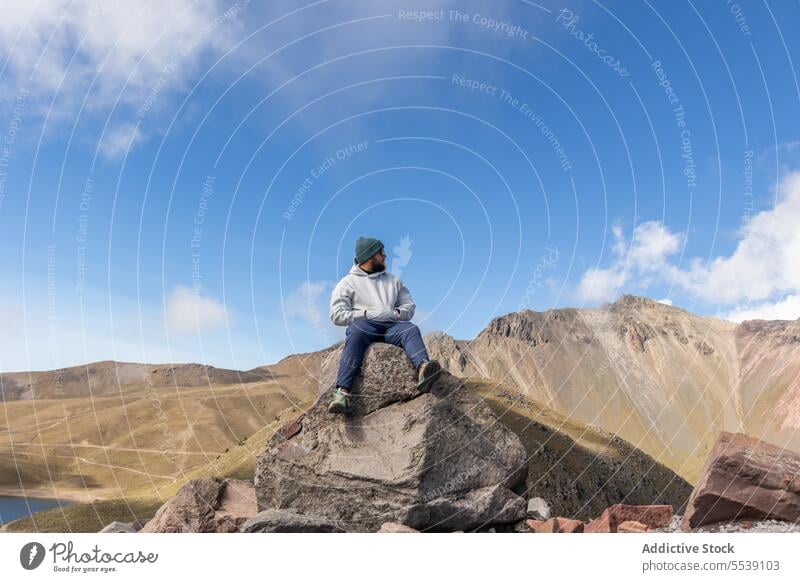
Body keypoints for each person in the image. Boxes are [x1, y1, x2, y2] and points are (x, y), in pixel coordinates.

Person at [327, 236, 441, 414]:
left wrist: (396, 313)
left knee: (410, 329)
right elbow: (336, 315)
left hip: (391, 326)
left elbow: (409, 306)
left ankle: (424, 369)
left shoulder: (394, 281)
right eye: (381, 253)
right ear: (370, 256)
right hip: (365, 326)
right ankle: (342, 393)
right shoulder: (347, 283)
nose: (385, 256)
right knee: (355, 333)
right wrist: (364, 314)